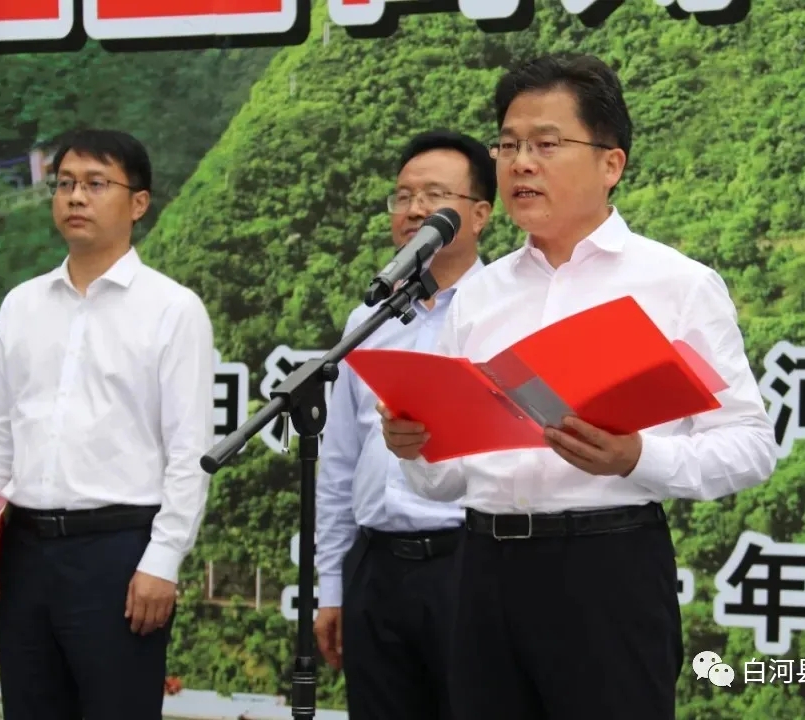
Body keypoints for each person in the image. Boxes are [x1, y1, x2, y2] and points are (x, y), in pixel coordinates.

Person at [378, 54, 777, 720]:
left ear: (610, 163)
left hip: (607, 571)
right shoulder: (480, 295)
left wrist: (638, 457)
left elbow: (750, 446)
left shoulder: (675, 284)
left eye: (545, 144)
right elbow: (444, 482)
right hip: (483, 570)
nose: (520, 164)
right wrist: (417, 448)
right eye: (508, 146)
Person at [0, 128, 215, 720]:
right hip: (24, 552)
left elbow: (189, 451)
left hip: (118, 553)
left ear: (138, 203)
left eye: (96, 184)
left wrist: (162, 560)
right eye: (65, 184)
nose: (76, 197)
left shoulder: (172, 309)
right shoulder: (21, 305)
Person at [315, 129, 496, 720]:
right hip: (376, 568)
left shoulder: (506, 312)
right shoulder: (368, 319)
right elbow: (340, 460)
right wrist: (334, 585)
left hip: (469, 563)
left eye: (435, 196)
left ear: (479, 216)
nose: (415, 210)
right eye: (403, 197)